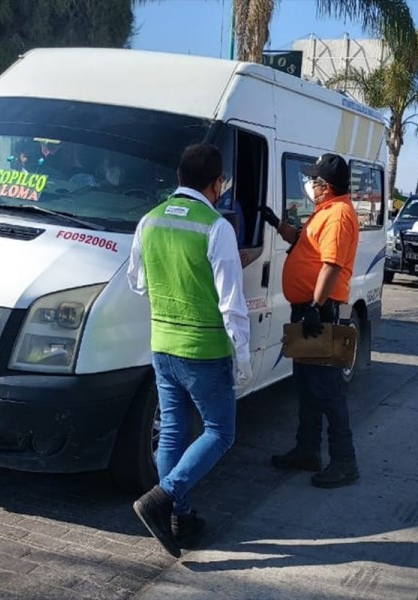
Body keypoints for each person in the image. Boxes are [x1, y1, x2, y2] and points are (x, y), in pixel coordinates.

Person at [127, 143, 251, 558]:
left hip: (162, 345)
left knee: (175, 431)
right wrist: (244, 357)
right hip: (204, 350)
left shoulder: (150, 221)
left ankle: (180, 517)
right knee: (220, 432)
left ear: (179, 177)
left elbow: (138, 283)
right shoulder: (216, 227)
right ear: (216, 185)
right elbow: (232, 303)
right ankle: (162, 499)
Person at [265, 153, 361, 489]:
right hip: (309, 310)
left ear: (326, 186)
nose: (310, 185)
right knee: (306, 386)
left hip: (321, 313)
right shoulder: (325, 213)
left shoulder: (338, 216)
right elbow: (304, 246)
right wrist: (277, 224)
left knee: (327, 390)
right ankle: (307, 451)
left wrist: (315, 307)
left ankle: (344, 461)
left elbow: (331, 266)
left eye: (315, 181)